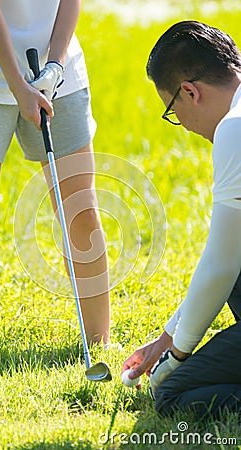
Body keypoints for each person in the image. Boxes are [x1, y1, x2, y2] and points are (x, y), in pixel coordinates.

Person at [0, 0, 111, 351]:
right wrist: (19, 87)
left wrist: (55, 67)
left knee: (79, 212)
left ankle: (98, 345)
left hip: (57, 75)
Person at [122, 20, 241, 418]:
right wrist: (167, 337)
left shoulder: (234, 128)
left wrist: (175, 356)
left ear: (190, 92)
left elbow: (223, 264)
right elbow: (228, 255)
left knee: (173, 396)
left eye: (173, 111)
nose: (184, 127)